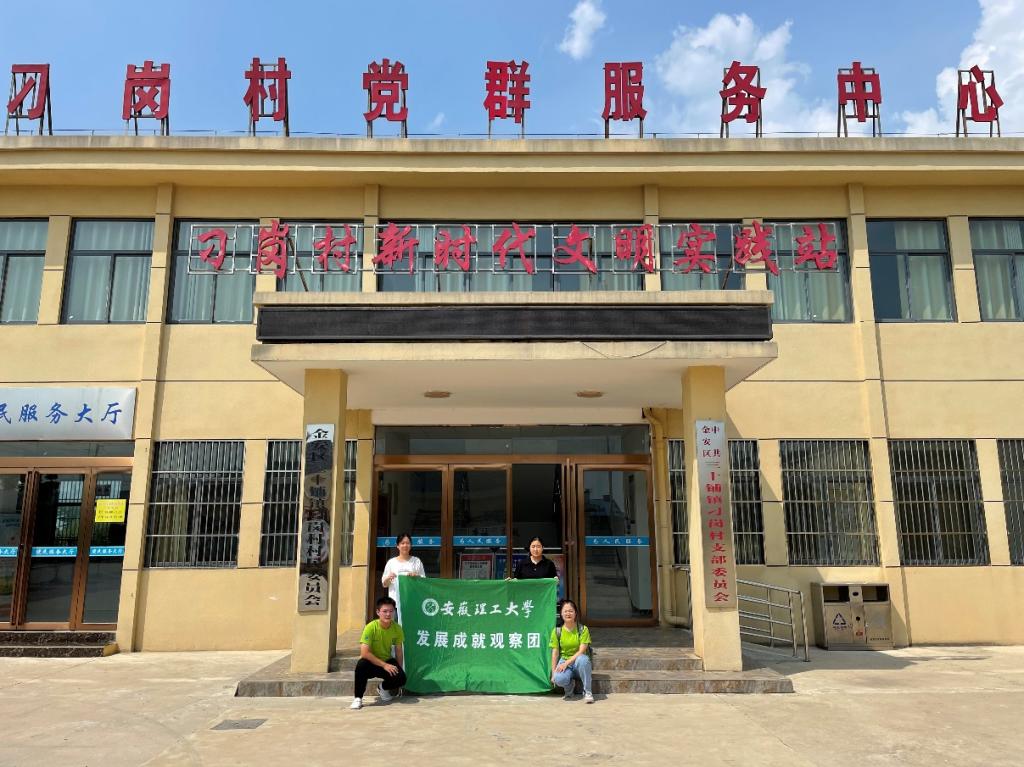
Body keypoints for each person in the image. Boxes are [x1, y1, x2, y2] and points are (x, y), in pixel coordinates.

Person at [351, 596, 407, 710]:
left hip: (386, 660)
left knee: (402, 678)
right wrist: (384, 665)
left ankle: (382, 688)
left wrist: (399, 670)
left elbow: (399, 650)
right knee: (361, 665)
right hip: (371, 662)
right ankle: (358, 698)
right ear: (378, 612)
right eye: (385, 611)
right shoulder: (370, 627)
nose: (388, 614)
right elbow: (364, 653)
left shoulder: (397, 628)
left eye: (391, 611)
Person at [549, 599, 594, 703]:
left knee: (583, 659)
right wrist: (553, 673)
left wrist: (566, 663)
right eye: (565, 611)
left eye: (571, 611)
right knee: (558, 679)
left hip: (579, 663)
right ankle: (569, 688)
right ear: (561, 614)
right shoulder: (557, 631)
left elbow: (581, 651)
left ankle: (588, 692)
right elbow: (555, 653)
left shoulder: (583, 629)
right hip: (565, 662)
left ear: (575, 613)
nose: (568, 613)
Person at [381, 532, 426, 621]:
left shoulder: (416, 561)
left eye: (408, 543)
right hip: (395, 603)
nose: (405, 545)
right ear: (397, 546)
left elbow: (424, 581)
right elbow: (384, 584)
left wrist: (416, 576)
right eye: (402, 543)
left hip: (412, 602)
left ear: (411, 545)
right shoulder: (391, 562)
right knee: (394, 628)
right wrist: (389, 578)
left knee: (411, 627)